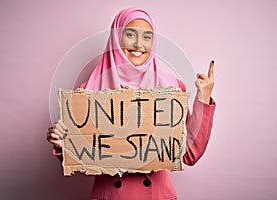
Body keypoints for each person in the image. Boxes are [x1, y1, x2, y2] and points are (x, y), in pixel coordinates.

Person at [47, 7, 215, 200]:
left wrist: (204, 96)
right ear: (116, 38)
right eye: (130, 34)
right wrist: (62, 143)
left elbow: (190, 154)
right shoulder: (88, 91)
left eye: (147, 37)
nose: (138, 44)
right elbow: (81, 155)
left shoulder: (172, 88)